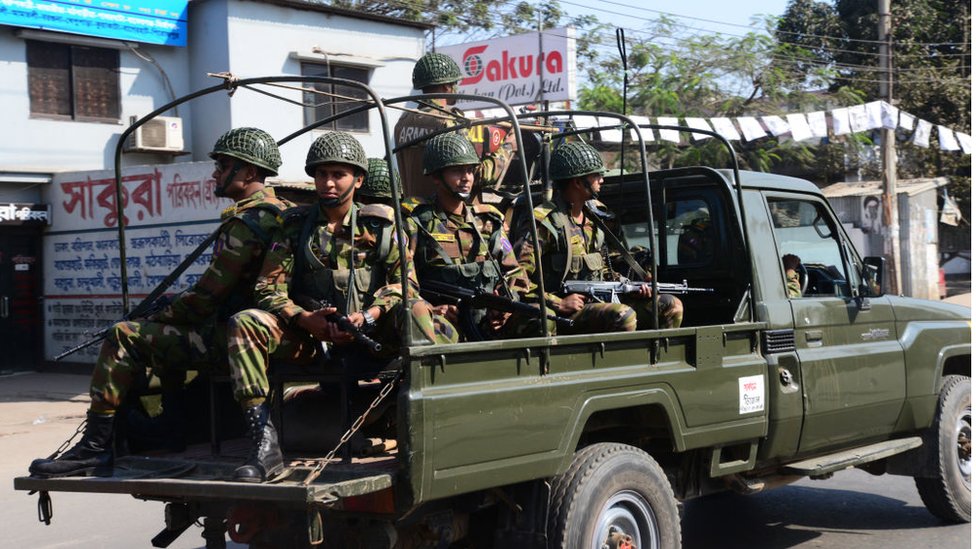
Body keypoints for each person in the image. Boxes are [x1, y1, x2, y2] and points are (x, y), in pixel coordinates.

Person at [30, 128, 292, 478]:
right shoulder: (281, 212)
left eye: (223, 165)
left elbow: (206, 296)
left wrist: (162, 313)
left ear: (248, 172)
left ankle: (95, 448)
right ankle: (169, 430)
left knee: (125, 335)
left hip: (235, 337)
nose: (215, 173)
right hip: (261, 333)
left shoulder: (250, 221)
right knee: (161, 329)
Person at [225, 131, 456, 482]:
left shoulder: (381, 226)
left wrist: (370, 314)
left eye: (338, 174)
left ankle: (423, 430)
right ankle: (264, 444)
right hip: (312, 340)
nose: (328, 183)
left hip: (374, 338)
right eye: (321, 174)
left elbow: (404, 283)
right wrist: (303, 318)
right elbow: (268, 287)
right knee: (246, 322)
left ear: (358, 179)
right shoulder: (294, 227)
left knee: (418, 309)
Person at [517, 141, 684, 333]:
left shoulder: (596, 219)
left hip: (598, 301)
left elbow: (603, 270)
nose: (602, 180)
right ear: (578, 182)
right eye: (596, 175)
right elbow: (517, 278)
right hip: (564, 311)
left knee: (671, 306)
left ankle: (659, 362)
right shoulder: (545, 222)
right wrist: (558, 302)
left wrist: (630, 287)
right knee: (623, 315)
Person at [405, 133, 536, 340]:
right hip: (446, 321)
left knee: (540, 318)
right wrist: (431, 308)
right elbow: (403, 281)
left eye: (470, 170)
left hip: (488, 319)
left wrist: (506, 302)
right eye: (457, 171)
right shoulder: (415, 222)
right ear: (437, 177)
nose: (466, 178)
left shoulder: (489, 220)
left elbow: (514, 272)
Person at [394, 52, 513, 198]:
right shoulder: (449, 122)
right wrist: (508, 146)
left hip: (411, 210)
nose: (456, 88)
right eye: (455, 83)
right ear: (446, 85)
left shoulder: (403, 121)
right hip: (441, 213)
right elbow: (476, 175)